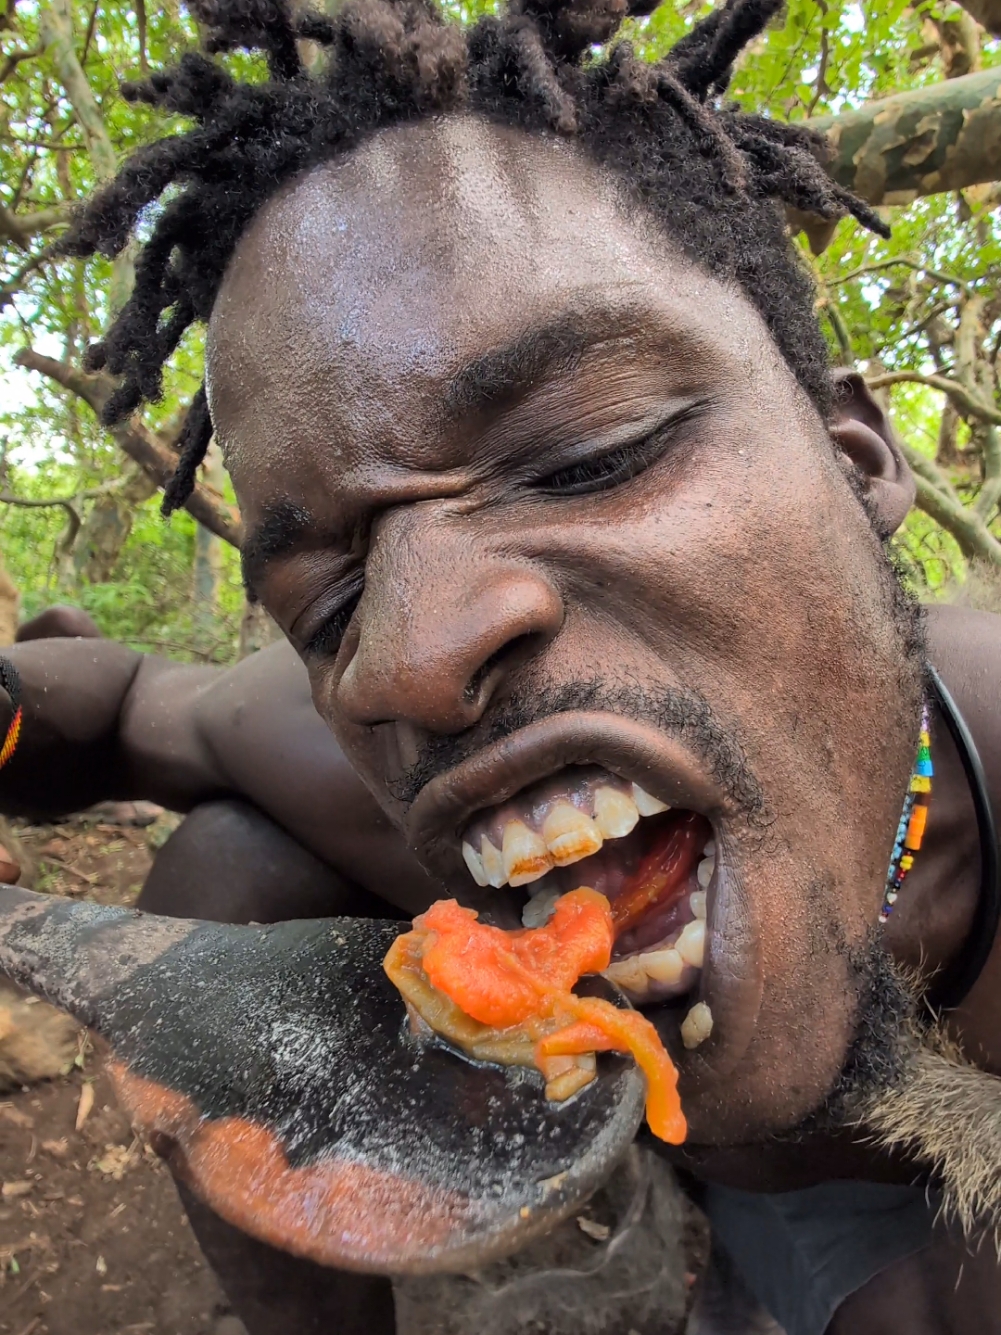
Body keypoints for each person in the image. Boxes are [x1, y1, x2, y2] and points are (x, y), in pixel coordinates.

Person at [5, 0, 1001, 1329]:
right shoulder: (367, 761)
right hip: (669, 1178)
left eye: (587, 455)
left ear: (855, 461)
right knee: (222, 871)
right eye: (331, 599)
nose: (404, 659)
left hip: (936, 1207)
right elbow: (118, 702)